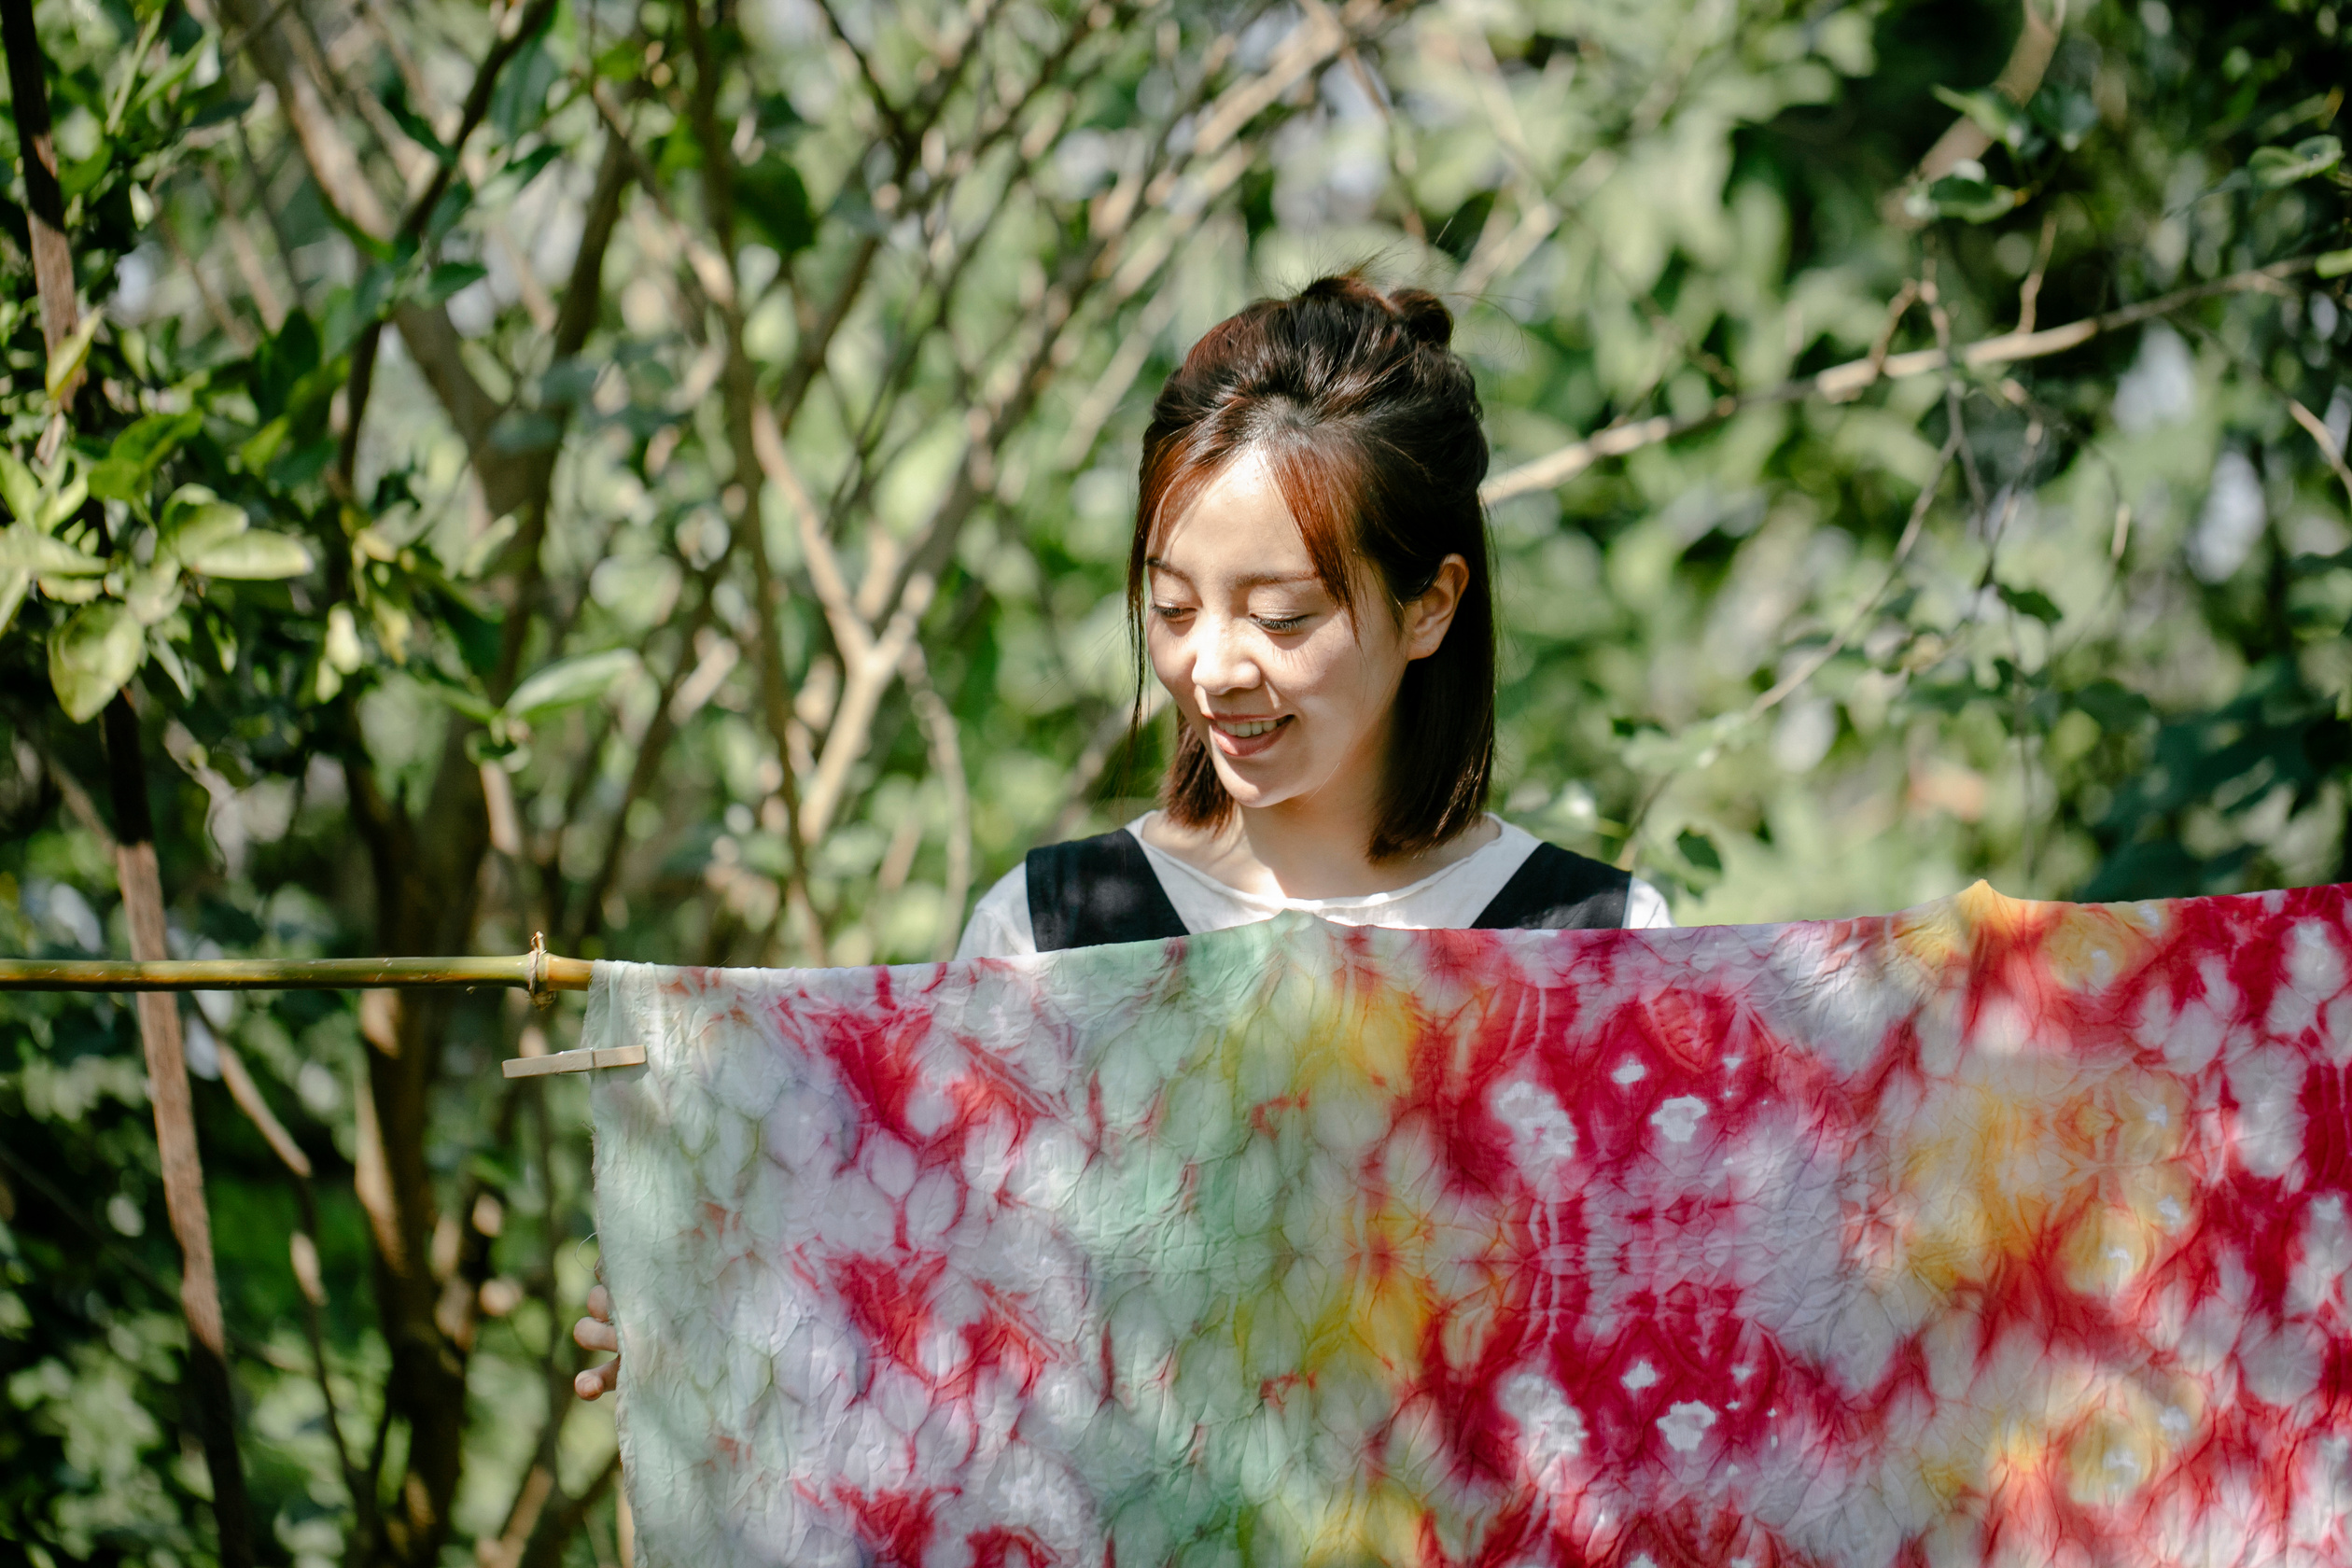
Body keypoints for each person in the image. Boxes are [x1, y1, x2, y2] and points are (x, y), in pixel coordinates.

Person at [571, 273, 1668, 1400]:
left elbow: (1686, 1347)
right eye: (1175, 605)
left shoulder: (1601, 947)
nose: (1212, 665)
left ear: (1432, 603)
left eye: (1282, 615)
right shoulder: (1051, 933)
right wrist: (712, 1309)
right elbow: (941, 1314)